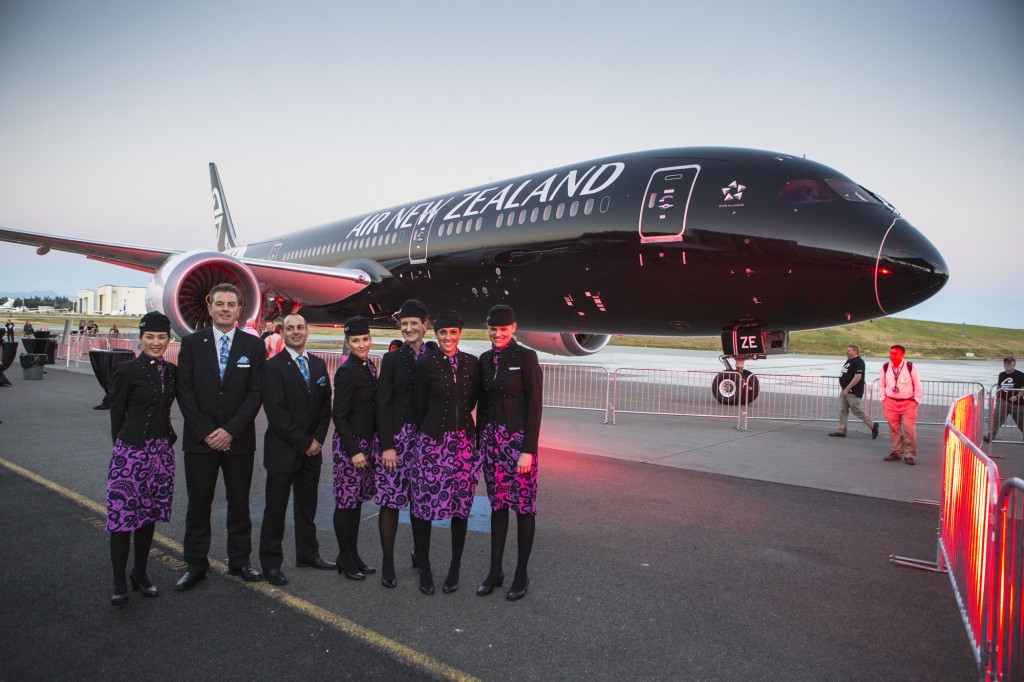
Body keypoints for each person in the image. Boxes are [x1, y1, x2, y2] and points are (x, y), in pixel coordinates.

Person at [174, 283, 266, 590]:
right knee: (198, 504)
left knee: (239, 503)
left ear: (240, 309)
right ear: (210, 306)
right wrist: (207, 432)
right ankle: (195, 564)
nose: (225, 308)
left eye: (231, 304)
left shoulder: (253, 346)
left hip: (238, 441)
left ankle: (240, 561)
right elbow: (184, 391)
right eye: (219, 304)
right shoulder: (191, 343)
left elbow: (256, 393)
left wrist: (230, 430)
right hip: (200, 441)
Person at [106, 312, 177, 606]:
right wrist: (122, 450)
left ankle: (140, 573)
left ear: (168, 339)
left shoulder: (172, 372)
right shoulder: (127, 371)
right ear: (141, 338)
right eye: (150, 337)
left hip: (161, 452)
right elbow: (116, 414)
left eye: (162, 337)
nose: (156, 343)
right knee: (122, 518)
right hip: (131, 452)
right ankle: (120, 581)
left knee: (148, 515)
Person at [258, 314, 335, 586]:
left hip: (312, 452)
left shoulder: (317, 364)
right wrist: (305, 442)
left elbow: (325, 407)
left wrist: (317, 441)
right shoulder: (273, 367)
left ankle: (308, 554)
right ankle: (271, 564)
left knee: (307, 508)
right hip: (283, 452)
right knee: (275, 511)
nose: (295, 332)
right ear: (284, 332)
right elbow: (276, 414)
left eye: (300, 327)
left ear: (307, 331)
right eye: (290, 328)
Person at [476, 304, 543, 601]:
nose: (497, 334)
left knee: (524, 508)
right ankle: (495, 571)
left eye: (503, 329)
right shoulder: (485, 359)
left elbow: (535, 406)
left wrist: (528, 450)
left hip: (518, 444)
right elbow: (481, 403)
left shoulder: (526, 358)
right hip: (491, 443)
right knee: (498, 507)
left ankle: (521, 573)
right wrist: (478, 445)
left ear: (514, 328)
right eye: (493, 329)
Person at [411, 310, 480, 595]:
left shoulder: (472, 364)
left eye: (453, 332)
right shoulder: (425, 363)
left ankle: (454, 567)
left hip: (463, 442)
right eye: (442, 333)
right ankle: (424, 567)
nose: (448, 338)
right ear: (435, 335)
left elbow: (473, 400)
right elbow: (418, 406)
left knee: (460, 507)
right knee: (424, 505)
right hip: (432, 443)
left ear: (460, 334)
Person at [374, 299, 429, 589]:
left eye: (414, 324)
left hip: (424, 441)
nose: (408, 328)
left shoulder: (433, 356)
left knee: (421, 503)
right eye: (404, 324)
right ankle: (387, 560)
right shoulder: (392, 359)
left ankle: (420, 555)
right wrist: (386, 445)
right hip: (396, 439)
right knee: (390, 501)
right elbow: (382, 403)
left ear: (425, 326)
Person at [331, 316, 378, 580]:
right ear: (347, 343)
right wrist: (354, 450)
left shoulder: (369, 366)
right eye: (356, 341)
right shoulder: (347, 371)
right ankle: (344, 557)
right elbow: (339, 415)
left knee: (357, 502)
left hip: (366, 443)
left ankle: (353, 554)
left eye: (365, 339)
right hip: (352, 447)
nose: (362, 344)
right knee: (346, 503)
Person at [880, 344, 923, 464]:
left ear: (902, 355)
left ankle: (910, 454)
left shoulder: (910, 367)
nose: (892, 356)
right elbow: (882, 384)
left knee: (909, 429)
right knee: (894, 429)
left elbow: (917, 384)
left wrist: (916, 399)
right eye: (891, 353)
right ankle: (897, 452)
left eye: (895, 353)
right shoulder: (885, 367)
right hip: (890, 402)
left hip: (908, 402)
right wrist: (883, 397)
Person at [829, 344, 879, 439]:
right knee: (842, 410)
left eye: (849, 350)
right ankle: (841, 431)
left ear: (855, 351)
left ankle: (873, 426)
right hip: (845, 391)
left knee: (856, 410)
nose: (847, 352)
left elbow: (857, 377)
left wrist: (848, 388)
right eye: (847, 350)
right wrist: (844, 388)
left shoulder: (859, 362)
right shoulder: (849, 360)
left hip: (853, 391)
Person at [983, 357, 1024, 443]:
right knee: (996, 419)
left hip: (1017, 403)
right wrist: (996, 398)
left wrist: (1017, 396)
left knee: (1021, 421)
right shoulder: (1002, 374)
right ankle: (990, 436)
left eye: (1009, 362)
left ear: (1014, 364)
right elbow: (999, 386)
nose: (1007, 364)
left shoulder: (1021, 375)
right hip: (1002, 401)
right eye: (1005, 363)